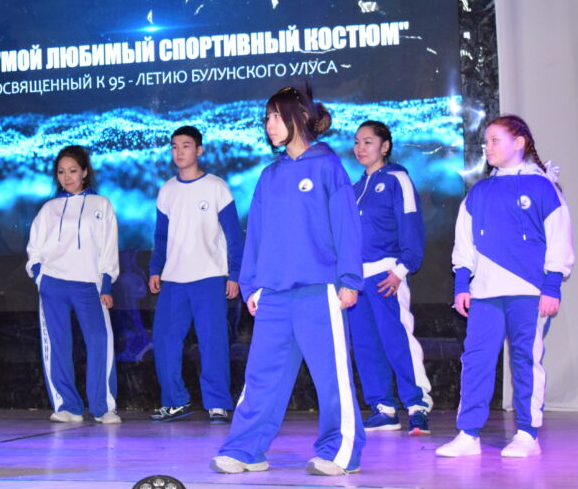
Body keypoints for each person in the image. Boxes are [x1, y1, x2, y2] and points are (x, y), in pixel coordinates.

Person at [211, 85, 364, 477]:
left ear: (300, 117)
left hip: (320, 290)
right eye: (267, 118)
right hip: (275, 294)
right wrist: (252, 284)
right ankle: (245, 449)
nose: (270, 124)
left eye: (277, 116)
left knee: (331, 379)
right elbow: (257, 236)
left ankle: (340, 451)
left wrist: (349, 279)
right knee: (261, 377)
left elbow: (347, 226)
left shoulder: (328, 167)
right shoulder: (269, 175)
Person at [436, 114, 573, 458]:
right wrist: (462, 285)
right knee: (476, 360)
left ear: (519, 143)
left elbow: (559, 240)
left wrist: (552, 286)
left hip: (529, 292)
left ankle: (527, 433)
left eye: (495, 140)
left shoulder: (542, 187)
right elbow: (464, 243)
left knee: (526, 359)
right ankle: (468, 434)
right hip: (485, 293)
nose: (487, 146)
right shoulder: (479, 191)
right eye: (486, 141)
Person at [148, 126, 243, 423]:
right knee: (165, 339)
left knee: (212, 341)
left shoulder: (216, 187)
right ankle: (175, 401)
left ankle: (217, 403)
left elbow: (233, 234)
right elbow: (161, 237)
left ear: (199, 150)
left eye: (186, 145)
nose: (179, 152)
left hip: (210, 276)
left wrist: (235, 274)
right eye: (174, 146)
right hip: (174, 279)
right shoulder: (167, 190)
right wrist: (155, 269)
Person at [348, 121, 433, 434]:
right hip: (357, 281)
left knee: (398, 341)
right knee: (366, 344)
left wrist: (401, 269)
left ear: (384, 147)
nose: (360, 148)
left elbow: (411, 224)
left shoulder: (398, 179)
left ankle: (417, 405)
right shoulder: (354, 189)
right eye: (357, 142)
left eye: (368, 142)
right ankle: (383, 408)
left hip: (387, 275)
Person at [25, 145, 121, 424]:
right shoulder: (49, 208)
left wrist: (106, 285)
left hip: (89, 285)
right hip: (53, 284)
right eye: (61, 172)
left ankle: (103, 407)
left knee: (100, 341)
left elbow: (109, 248)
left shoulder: (101, 204)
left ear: (85, 172)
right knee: (57, 345)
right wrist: (39, 275)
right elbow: (35, 248)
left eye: (73, 171)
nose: (67, 177)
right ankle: (68, 406)